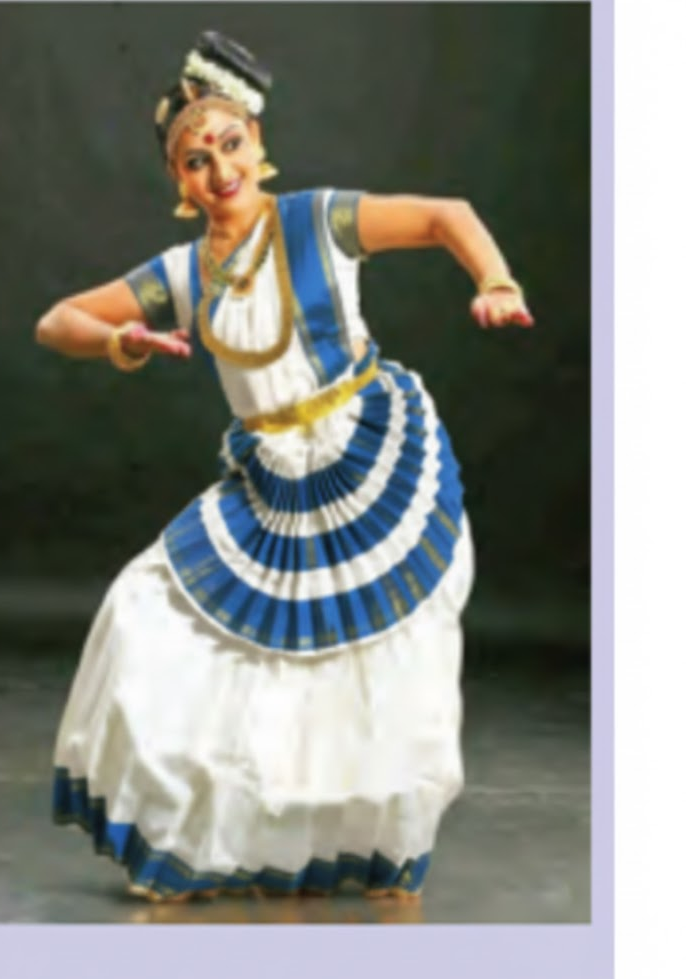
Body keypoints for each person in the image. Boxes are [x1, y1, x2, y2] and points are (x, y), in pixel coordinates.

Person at [37, 31, 533, 904]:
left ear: (258, 143)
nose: (219, 168)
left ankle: (378, 839)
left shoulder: (319, 221)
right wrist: (121, 338)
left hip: (362, 454)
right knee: (155, 611)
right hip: (272, 479)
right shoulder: (185, 273)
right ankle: (207, 833)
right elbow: (58, 321)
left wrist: (496, 281)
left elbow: (445, 214)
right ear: (178, 181)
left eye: (230, 144)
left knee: (383, 654)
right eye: (196, 159)